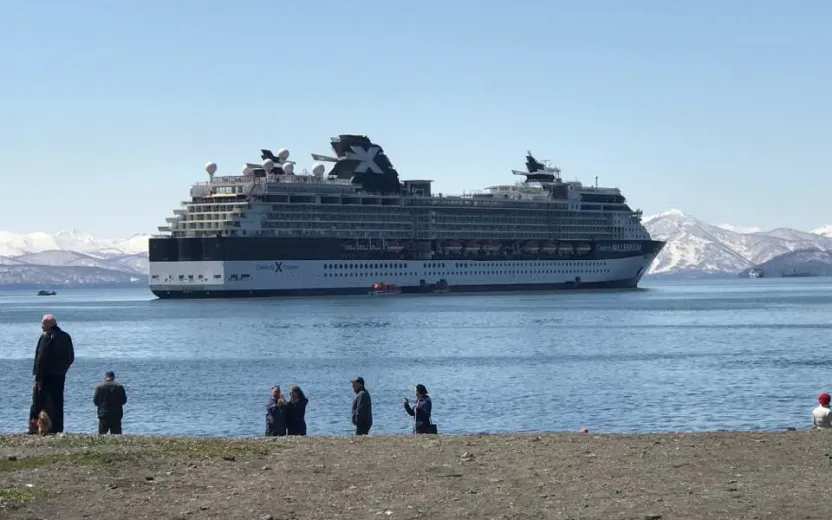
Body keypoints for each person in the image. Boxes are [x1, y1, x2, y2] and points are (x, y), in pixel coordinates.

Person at [31, 314, 75, 433]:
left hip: (45, 375)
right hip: (60, 375)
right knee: (58, 402)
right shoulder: (66, 336)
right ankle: (58, 428)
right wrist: (63, 369)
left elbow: (41, 358)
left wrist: (39, 377)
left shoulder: (46, 336)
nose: (41, 326)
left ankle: (34, 427)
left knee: (38, 402)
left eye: (43, 323)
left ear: (48, 324)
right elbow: (71, 357)